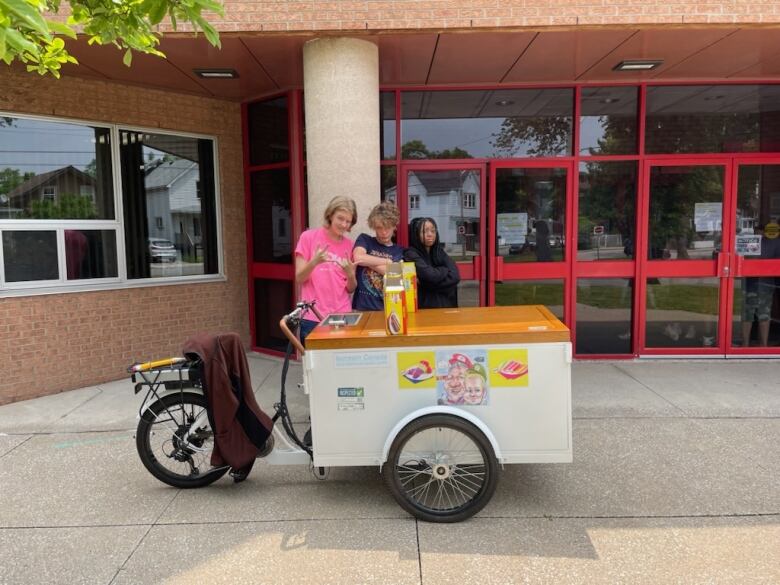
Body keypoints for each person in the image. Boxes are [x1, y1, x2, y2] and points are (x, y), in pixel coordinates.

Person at [294, 196, 357, 342]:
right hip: (312, 316)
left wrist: (350, 274)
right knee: (314, 365)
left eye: (348, 221)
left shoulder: (350, 245)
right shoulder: (308, 237)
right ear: (330, 215)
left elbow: (350, 289)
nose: (344, 224)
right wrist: (314, 262)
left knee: (341, 363)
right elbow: (299, 278)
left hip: (342, 316)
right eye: (340, 219)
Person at [352, 201, 403, 311]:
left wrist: (369, 261)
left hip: (387, 309)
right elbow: (358, 258)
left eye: (387, 227)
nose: (384, 232)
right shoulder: (365, 239)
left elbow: (394, 275)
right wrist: (388, 262)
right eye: (379, 228)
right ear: (373, 226)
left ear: (394, 226)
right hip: (362, 309)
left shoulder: (399, 250)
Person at [403, 217, 460, 308]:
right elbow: (430, 276)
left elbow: (455, 277)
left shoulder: (439, 252)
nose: (430, 234)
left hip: (447, 306)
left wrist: (425, 283)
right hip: (425, 308)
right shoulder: (410, 254)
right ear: (416, 234)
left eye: (433, 231)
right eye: (425, 231)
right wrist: (444, 270)